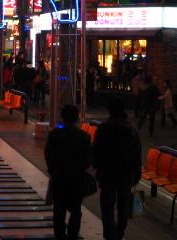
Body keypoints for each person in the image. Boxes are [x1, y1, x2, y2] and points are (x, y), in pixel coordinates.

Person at [93, 96, 142, 240]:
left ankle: (109, 234)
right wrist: (137, 172)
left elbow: (96, 150)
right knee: (123, 206)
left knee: (107, 206)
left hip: (107, 173)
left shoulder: (103, 129)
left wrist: (97, 167)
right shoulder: (132, 130)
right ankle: (120, 233)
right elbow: (137, 153)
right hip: (126, 173)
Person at [44, 105, 92, 240]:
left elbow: (48, 155)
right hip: (77, 179)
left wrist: (53, 170)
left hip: (59, 178)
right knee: (76, 210)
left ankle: (60, 235)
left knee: (59, 210)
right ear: (76, 118)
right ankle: (73, 234)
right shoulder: (84, 136)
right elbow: (88, 159)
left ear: (63, 117)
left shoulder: (54, 135)